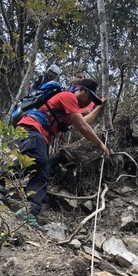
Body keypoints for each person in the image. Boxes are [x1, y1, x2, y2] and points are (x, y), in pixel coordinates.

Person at [14, 78, 111, 231]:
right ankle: (27, 210)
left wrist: (99, 108)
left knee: (37, 166)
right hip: (32, 128)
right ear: (82, 90)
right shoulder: (68, 96)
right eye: (90, 98)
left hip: (37, 133)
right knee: (40, 164)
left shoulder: (69, 109)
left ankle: (2, 182)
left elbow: (84, 120)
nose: (89, 102)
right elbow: (82, 126)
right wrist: (101, 145)